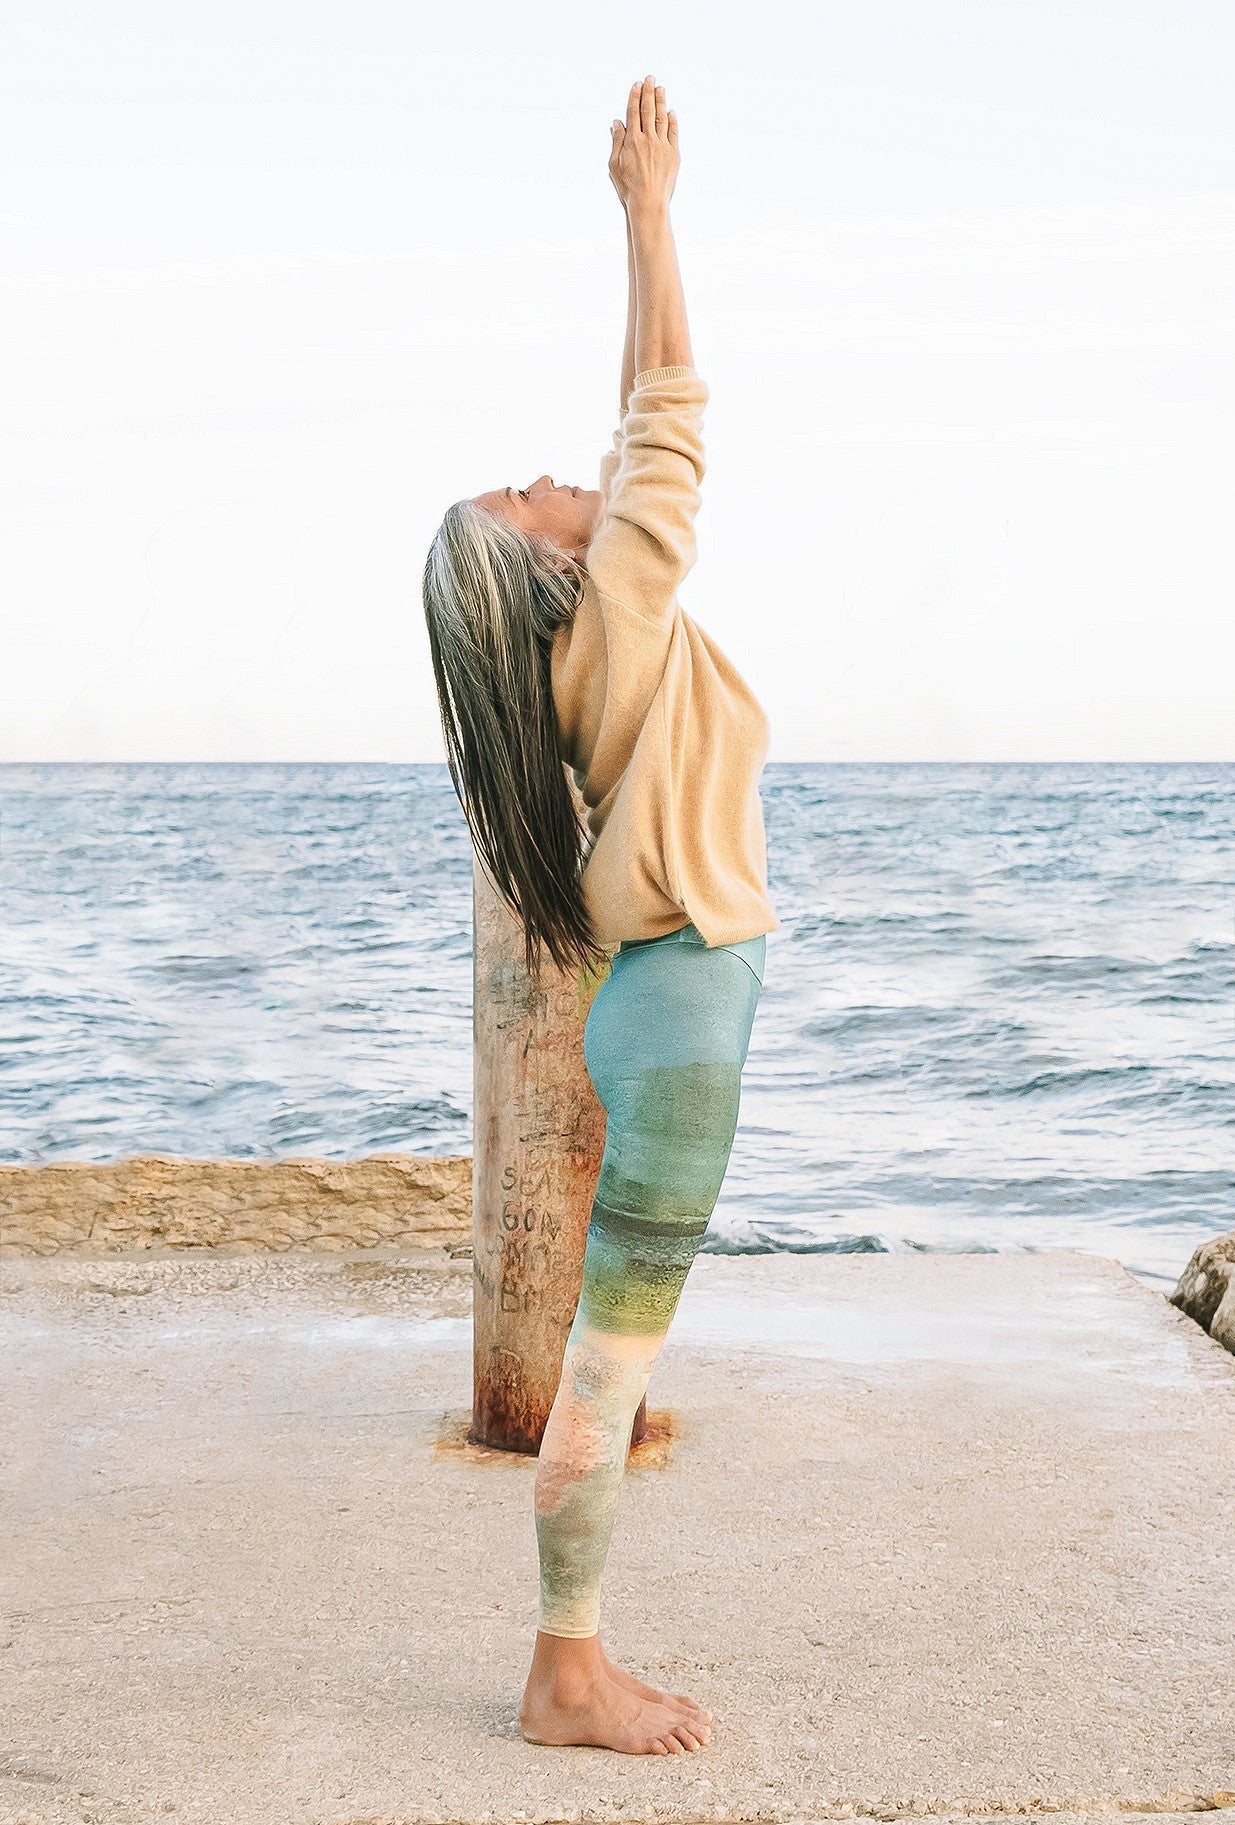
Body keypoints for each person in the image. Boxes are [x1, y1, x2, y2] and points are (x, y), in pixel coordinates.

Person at [422, 74, 779, 1756]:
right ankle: (566, 1671)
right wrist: (648, 218)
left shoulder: (587, 637)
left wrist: (637, 220)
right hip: (684, 1017)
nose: (550, 475)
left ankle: (569, 1655)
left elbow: (644, 432)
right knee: (608, 1370)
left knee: (608, 1356)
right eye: (525, 497)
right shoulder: (612, 623)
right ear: (549, 571)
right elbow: (675, 422)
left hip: (669, 996)